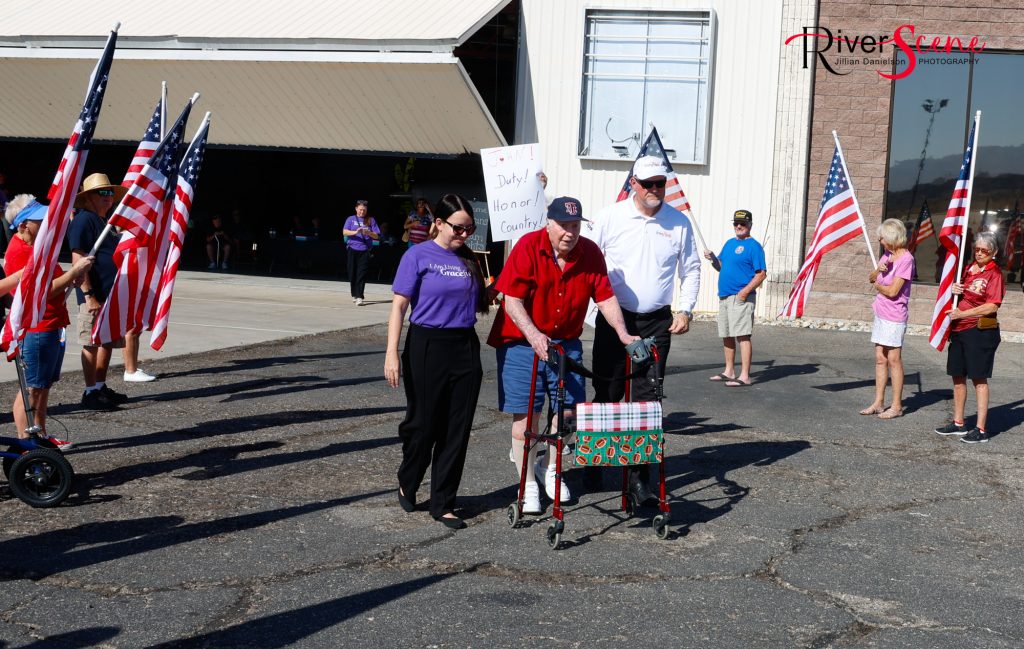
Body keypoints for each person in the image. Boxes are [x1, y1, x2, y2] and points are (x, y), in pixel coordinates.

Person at [488, 197, 638, 514]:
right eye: (564, 226)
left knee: (568, 414)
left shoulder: (590, 253)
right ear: (549, 223)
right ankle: (527, 483)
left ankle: (550, 468)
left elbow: (606, 296)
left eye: (575, 226)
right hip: (520, 340)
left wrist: (623, 333)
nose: (570, 233)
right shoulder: (528, 246)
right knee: (527, 416)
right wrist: (533, 335)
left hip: (566, 341)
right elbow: (511, 300)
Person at [585, 155, 701, 503]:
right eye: (648, 183)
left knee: (647, 400)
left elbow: (692, 269)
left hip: (657, 322)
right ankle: (595, 463)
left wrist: (686, 310)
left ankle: (639, 479)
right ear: (632, 183)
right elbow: (587, 260)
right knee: (608, 392)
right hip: (614, 319)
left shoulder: (678, 222)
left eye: (660, 183)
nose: (654, 190)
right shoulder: (610, 216)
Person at [384, 194, 489, 530]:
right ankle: (409, 477)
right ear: (439, 223)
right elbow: (399, 306)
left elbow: (482, 303)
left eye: (468, 228)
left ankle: (444, 502)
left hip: (464, 345)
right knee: (424, 425)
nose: (464, 234)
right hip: (427, 344)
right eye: (458, 227)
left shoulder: (469, 259)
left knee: (456, 428)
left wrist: (504, 280)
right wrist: (391, 353)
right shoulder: (418, 255)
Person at [4, 195, 94, 448]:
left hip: (51, 323)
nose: (46, 225)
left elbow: (49, 284)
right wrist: (73, 274)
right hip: (37, 327)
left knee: (42, 386)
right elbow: (38, 293)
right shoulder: (21, 252)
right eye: (38, 222)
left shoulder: (35, 248)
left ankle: (39, 437)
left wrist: (70, 278)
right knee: (32, 389)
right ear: (23, 226)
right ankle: (27, 446)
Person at [934, 232, 1005, 444]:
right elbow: (965, 294)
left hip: (979, 331)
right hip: (959, 330)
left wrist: (963, 314)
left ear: (994, 253)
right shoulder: (968, 269)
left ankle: (981, 429)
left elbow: (992, 305)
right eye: (977, 249)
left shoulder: (995, 274)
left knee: (979, 379)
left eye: (985, 250)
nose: (980, 253)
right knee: (958, 376)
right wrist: (958, 289)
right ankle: (958, 423)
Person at [68, 172, 129, 410]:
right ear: (89, 197)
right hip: (94, 295)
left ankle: (101, 386)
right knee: (91, 342)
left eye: (110, 192)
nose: (108, 197)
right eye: (102, 193)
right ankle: (90, 390)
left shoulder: (104, 222)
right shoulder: (84, 220)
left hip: (109, 294)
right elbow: (78, 259)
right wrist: (88, 295)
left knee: (107, 341)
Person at [703, 209, 767, 389]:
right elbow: (720, 266)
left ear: (750, 225)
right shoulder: (730, 243)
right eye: (736, 223)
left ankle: (745, 376)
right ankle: (729, 371)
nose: (739, 226)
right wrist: (713, 259)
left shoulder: (754, 246)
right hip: (724, 296)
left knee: (742, 335)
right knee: (727, 334)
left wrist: (744, 293)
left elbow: (761, 274)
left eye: (743, 223)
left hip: (740, 298)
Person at [860, 219, 914, 419]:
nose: (880, 240)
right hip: (881, 313)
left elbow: (892, 291)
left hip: (895, 315)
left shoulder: (906, 259)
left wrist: (878, 287)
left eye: (882, 237)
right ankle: (878, 402)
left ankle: (897, 405)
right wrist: (878, 271)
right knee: (880, 358)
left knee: (894, 359)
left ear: (891, 237)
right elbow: (872, 277)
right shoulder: (888, 255)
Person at [343, 199, 379, 306]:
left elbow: (377, 236)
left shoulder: (370, 220)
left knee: (361, 273)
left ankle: (359, 296)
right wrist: (356, 232)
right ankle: (354, 293)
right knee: (352, 272)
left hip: (364, 250)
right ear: (356, 209)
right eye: (360, 210)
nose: (362, 212)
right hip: (352, 249)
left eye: (364, 210)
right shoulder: (351, 219)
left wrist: (369, 232)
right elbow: (344, 232)